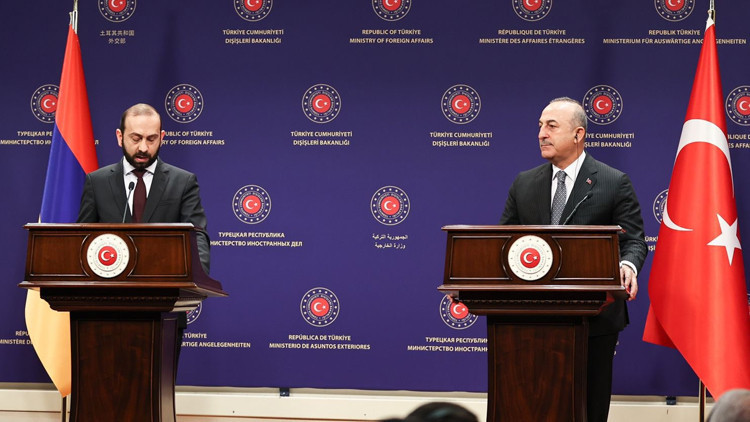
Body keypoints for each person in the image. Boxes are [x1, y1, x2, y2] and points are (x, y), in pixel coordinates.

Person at [499, 97, 648, 422]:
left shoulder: (613, 182)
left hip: (595, 316)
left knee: (588, 407)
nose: (541, 133)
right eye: (540, 126)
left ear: (578, 134)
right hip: (533, 317)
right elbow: (503, 244)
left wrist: (627, 265)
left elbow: (634, 240)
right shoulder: (524, 183)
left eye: (551, 126)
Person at [77, 102, 211, 356]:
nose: (143, 148)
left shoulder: (183, 182)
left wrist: (197, 279)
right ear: (120, 137)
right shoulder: (97, 182)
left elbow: (197, 237)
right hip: (104, 309)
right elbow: (82, 240)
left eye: (151, 139)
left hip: (164, 309)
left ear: (162, 137)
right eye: (136, 138)